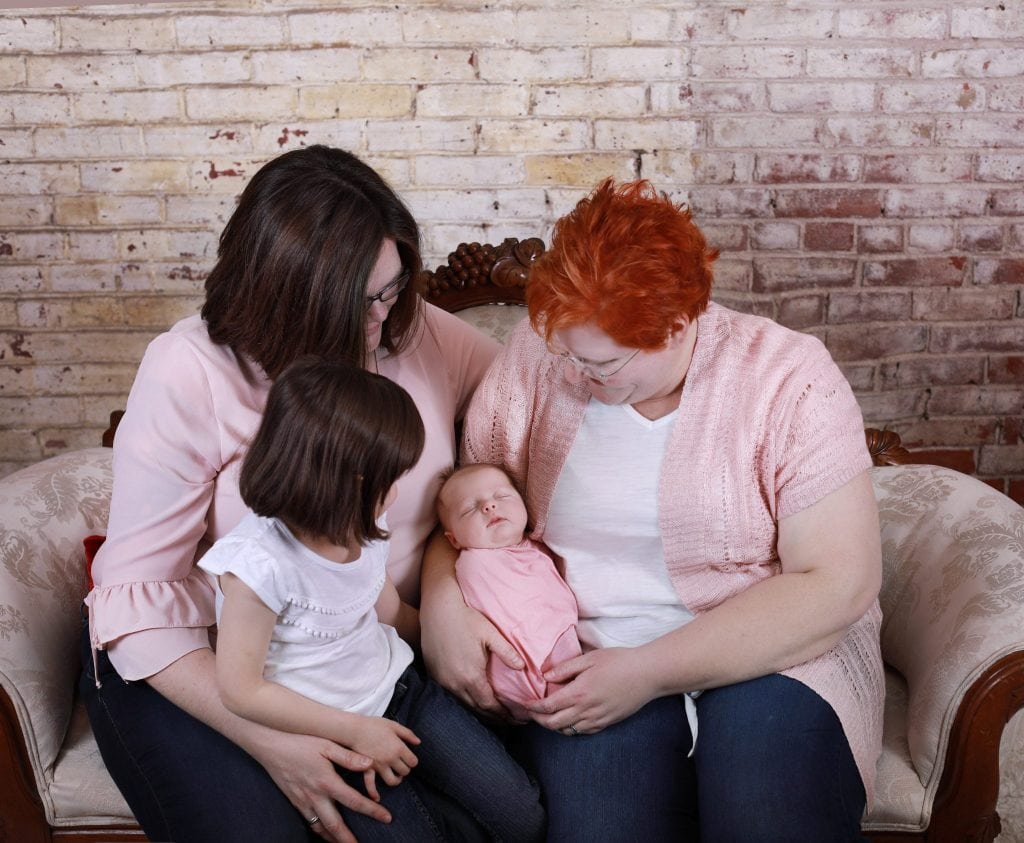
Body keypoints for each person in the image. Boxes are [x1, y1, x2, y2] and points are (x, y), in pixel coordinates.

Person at [420, 178, 884, 841]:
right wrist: (441, 601)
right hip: (587, 658)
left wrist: (647, 671)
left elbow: (837, 584)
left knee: (764, 814)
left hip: (773, 657)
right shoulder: (538, 356)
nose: (577, 373)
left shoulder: (789, 377)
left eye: (602, 363)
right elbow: (463, 511)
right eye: (568, 353)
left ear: (677, 323)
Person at [80, 145, 507, 843]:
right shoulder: (190, 369)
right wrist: (267, 737)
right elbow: (138, 599)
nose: (385, 317)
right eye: (363, 299)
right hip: (195, 654)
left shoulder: (411, 328)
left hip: (359, 643)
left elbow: (535, 401)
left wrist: (447, 590)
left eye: (394, 288)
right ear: (293, 294)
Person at [198, 359, 544, 843]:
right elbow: (239, 690)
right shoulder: (259, 567)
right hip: (334, 733)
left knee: (522, 818)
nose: (399, 492)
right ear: (344, 483)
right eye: (391, 479)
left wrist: (464, 633)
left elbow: (389, 613)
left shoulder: (365, 531)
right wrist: (357, 731)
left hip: (404, 692)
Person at [436, 462, 582, 720]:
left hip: (564, 659)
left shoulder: (539, 547)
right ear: (454, 539)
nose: (489, 506)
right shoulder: (475, 563)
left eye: (502, 496)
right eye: (470, 509)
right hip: (522, 671)